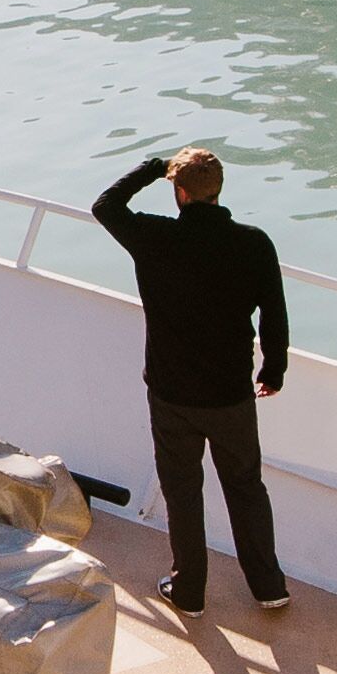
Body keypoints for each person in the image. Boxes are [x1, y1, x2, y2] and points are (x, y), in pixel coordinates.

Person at [89, 146, 291, 615]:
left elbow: (105, 205)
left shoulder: (154, 236)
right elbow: (274, 314)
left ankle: (189, 591)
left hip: (172, 393)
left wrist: (153, 168)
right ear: (217, 190)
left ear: (179, 192)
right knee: (246, 488)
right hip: (231, 394)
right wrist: (273, 370)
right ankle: (268, 587)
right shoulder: (254, 243)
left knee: (182, 490)